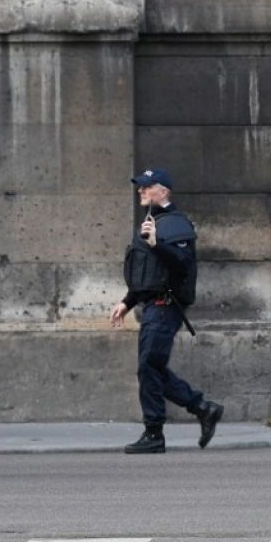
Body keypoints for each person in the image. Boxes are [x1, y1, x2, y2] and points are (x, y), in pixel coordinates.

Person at [110, 168, 223, 454]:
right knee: (152, 368)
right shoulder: (151, 222)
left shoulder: (175, 223)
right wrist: (127, 302)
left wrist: (156, 244)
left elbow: (181, 262)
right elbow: (147, 273)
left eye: (147, 187)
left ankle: (154, 433)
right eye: (140, 187)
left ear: (163, 191)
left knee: (149, 367)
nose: (141, 191)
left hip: (165, 306)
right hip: (152, 305)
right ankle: (202, 408)